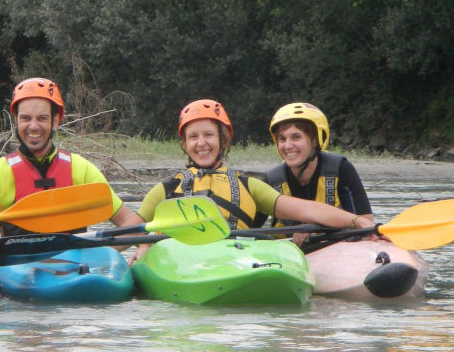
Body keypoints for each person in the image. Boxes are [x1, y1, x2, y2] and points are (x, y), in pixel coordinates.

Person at [129, 99, 375, 263]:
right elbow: (126, 234)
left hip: (232, 262)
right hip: (179, 262)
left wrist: (358, 222)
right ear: (184, 144)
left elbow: (307, 209)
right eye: (193, 137)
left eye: (208, 135)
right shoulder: (165, 189)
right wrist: (141, 249)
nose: (201, 143)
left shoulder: (249, 185)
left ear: (223, 140)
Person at [0, 77, 138, 242]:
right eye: (26, 118)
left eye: (42, 118)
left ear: (55, 122)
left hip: (74, 272)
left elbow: (129, 223)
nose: (33, 126)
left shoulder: (81, 170)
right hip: (19, 273)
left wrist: (128, 250)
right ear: (17, 121)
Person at [264, 102, 373, 246]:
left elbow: (367, 224)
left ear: (315, 140)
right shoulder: (271, 180)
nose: (288, 146)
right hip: (288, 256)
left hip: (338, 250)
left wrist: (316, 229)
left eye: (296, 137)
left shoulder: (341, 169)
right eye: (282, 139)